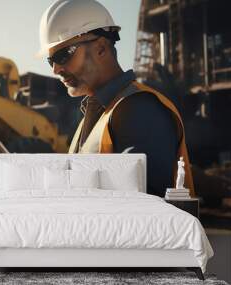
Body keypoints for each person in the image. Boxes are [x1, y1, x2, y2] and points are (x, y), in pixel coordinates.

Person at [37, 0, 195, 197]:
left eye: (63, 55)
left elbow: (146, 205)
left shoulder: (139, 108)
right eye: (51, 60)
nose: (55, 69)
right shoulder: (95, 114)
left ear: (101, 48)